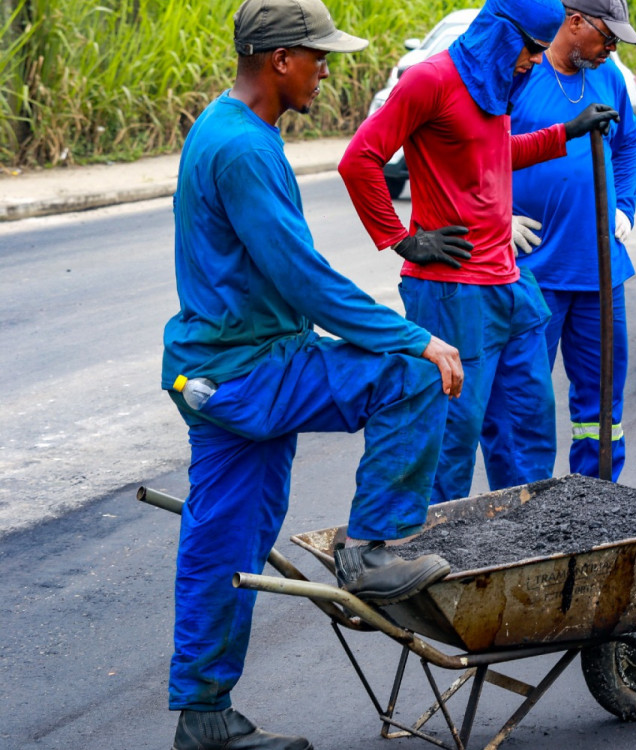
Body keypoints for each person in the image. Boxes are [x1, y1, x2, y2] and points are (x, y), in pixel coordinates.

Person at [161, 1, 464, 747]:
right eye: (317, 56)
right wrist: (414, 337)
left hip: (214, 373)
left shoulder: (229, 129)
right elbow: (302, 277)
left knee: (222, 542)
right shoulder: (242, 149)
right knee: (411, 378)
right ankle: (370, 551)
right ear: (278, 60)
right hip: (252, 367)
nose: (326, 70)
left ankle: (204, 717)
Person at [339, 0, 618, 503]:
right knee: (451, 438)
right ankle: (431, 552)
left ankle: (521, 549)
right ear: (503, 36)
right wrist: (401, 238)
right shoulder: (430, 81)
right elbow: (360, 159)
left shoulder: (494, 87)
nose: (535, 61)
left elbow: (494, 153)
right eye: (531, 49)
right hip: (452, 293)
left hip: (509, 284)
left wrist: (567, 132)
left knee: (528, 429)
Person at [509, 1, 636, 481]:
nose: (612, 48)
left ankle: (597, 499)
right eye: (607, 36)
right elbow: (476, 152)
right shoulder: (522, 73)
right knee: (525, 400)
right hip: (533, 271)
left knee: (603, 400)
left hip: (601, 270)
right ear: (575, 21)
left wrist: (625, 203)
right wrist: (496, 215)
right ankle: (526, 510)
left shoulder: (609, 78)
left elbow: (627, 143)